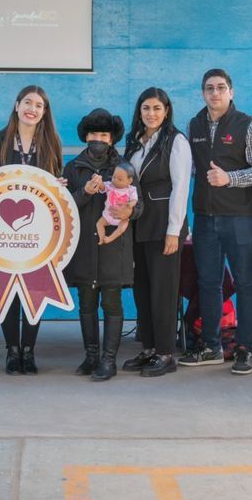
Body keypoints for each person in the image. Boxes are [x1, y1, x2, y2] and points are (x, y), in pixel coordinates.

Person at [182, 68, 252, 375]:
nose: (215, 93)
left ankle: (245, 348)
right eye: (209, 88)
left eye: (221, 88)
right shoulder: (194, 125)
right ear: (202, 93)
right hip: (205, 217)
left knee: (246, 283)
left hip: (240, 218)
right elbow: (190, 168)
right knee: (208, 283)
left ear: (231, 92)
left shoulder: (250, 125)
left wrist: (229, 178)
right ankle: (211, 346)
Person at [0, 85, 64, 375]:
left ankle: (29, 350)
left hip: (39, 233)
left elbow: (57, 181)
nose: (32, 108)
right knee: (8, 291)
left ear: (44, 112)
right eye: (27, 102)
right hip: (3, 233)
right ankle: (11, 350)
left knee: (34, 291)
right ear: (16, 105)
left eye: (39, 105)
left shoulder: (52, 142)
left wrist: (60, 187)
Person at [120, 87, 191, 378]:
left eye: (157, 108)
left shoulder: (176, 141)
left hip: (164, 223)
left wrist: (174, 231)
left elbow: (181, 187)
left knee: (163, 290)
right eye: (146, 108)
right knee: (143, 288)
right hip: (137, 223)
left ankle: (165, 352)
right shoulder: (134, 141)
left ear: (167, 111)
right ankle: (148, 348)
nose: (151, 114)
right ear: (140, 111)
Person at [63, 109, 138, 382]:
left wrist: (130, 212)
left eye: (103, 135)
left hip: (113, 247)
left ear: (112, 138)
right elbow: (64, 204)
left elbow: (138, 204)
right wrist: (85, 192)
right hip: (83, 245)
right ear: (85, 136)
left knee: (111, 301)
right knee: (86, 301)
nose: (98, 139)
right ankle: (91, 356)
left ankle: (109, 360)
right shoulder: (72, 167)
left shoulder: (124, 167)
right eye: (93, 134)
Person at [95, 162, 138, 246]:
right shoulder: (110, 185)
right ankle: (101, 238)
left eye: (120, 179)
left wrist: (130, 205)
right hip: (107, 215)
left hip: (122, 217)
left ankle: (110, 238)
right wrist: (99, 182)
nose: (115, 180)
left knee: (122, 227)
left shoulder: (131, 189)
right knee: (99, 224)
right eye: (114, 177)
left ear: (130, 180)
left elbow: (134, 200)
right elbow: (103, 187)